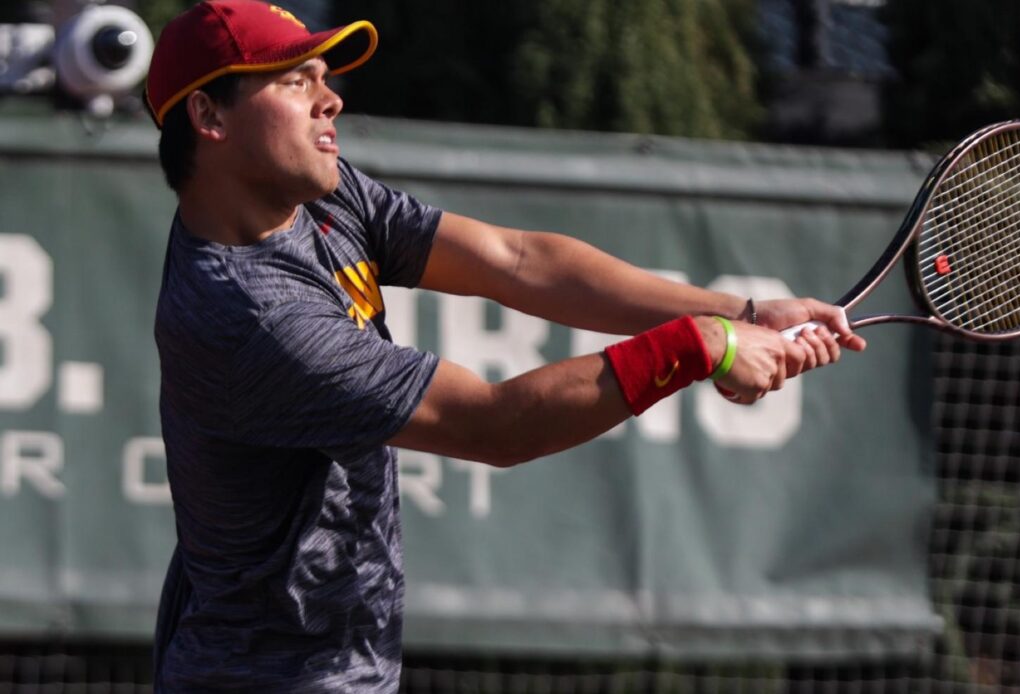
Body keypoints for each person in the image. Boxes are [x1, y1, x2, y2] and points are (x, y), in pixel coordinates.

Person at [143, 1, 866, 691]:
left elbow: (517, 261)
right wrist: (697, 344)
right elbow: (495, 424)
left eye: (325, 79)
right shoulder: (248, 315)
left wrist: (743, 310)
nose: (329, 100)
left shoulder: (316, 200)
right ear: (208, 115)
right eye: (296, 81)